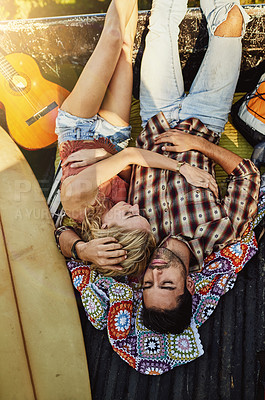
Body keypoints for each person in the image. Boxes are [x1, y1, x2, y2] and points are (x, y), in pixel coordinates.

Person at [55, 0, 215, 278]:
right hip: (112, 140)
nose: (134, 205)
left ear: (106, 230)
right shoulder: (121, 208)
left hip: (78, 130)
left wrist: (182, 168)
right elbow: (126, 163)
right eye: (139, 213)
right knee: (127, 47)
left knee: (114, 38)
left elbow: (130, 158)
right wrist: (104, 156)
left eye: (130, 215)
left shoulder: (75, 198)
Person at [129, 0, 261, 333]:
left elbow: (65, 236)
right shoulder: (223, 235)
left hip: (155, 117)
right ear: (188, 286)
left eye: (148, 285)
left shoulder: (136, 244)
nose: (156, 274)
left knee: (160, 23)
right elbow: (248, 175)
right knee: (230, 20)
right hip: (206, 117)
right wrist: (199, 145)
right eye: (167, 284)